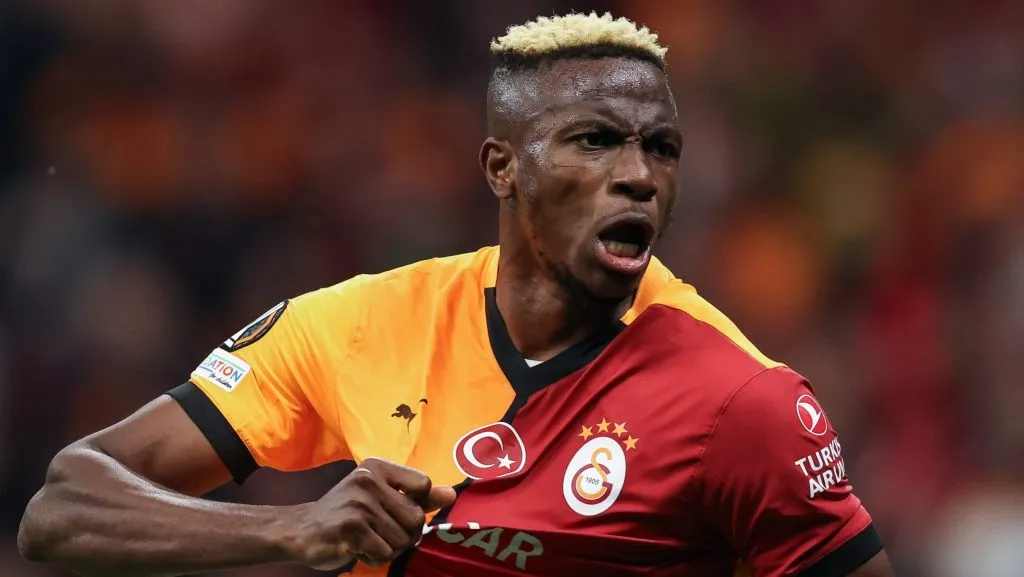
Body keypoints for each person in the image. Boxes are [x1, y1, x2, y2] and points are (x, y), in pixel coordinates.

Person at [18, 12, 895, 577]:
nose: (638, 176)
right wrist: (293, 532)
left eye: (660, 148)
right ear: (501, 167)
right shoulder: (358, 326)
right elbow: (66, 504)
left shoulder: (742, 400)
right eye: (595, 141)